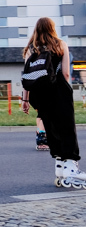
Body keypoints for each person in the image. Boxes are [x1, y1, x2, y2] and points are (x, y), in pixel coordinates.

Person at [22, 17, 86, 188]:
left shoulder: (30, 48)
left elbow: (27, 75)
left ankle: (59, 165)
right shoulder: (60, 44)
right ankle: (71, 166)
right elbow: (65, 73)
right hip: (58, 91)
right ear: (52, 28)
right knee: (66, 127)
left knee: (51, 128)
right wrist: (68, 90)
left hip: (39, 94)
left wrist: (25, 99)